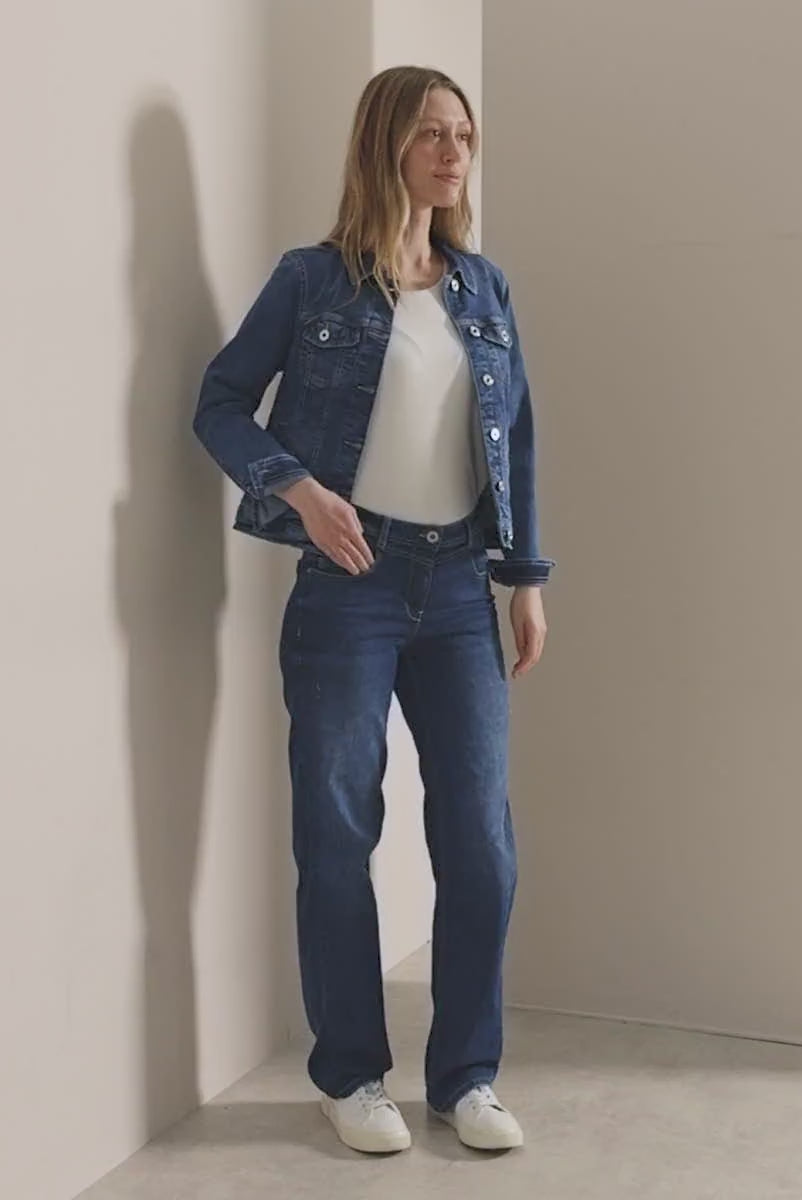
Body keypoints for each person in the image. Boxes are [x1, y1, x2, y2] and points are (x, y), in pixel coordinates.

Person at [193, 64, 555, 1155]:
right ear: (384, 144)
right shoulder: (312, 281)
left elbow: (515, 438)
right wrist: (299, 490)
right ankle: (351, 1076)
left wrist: (525, 578)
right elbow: (220, 402)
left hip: (460, 590)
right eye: (432, 133)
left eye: (464, 135)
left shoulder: (483, 288)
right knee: (339, 829)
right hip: (349, 588)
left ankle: (466, 1078)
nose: (453, 154)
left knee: (481, 842)